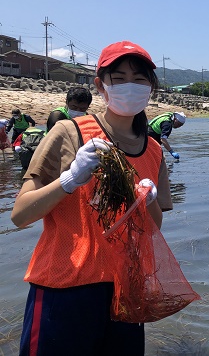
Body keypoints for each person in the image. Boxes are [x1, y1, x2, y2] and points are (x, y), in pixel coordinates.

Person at [11, 40, 174, 355]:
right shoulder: (68, 134)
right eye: (120, 77)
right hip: (64, 288)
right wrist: (70, 178)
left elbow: (154, 228)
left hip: (125, 290)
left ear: (152, 87)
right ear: (101, 85)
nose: (131, 85)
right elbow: (20, 215)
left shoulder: (152, 149)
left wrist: (149, 199)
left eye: (140, 78)